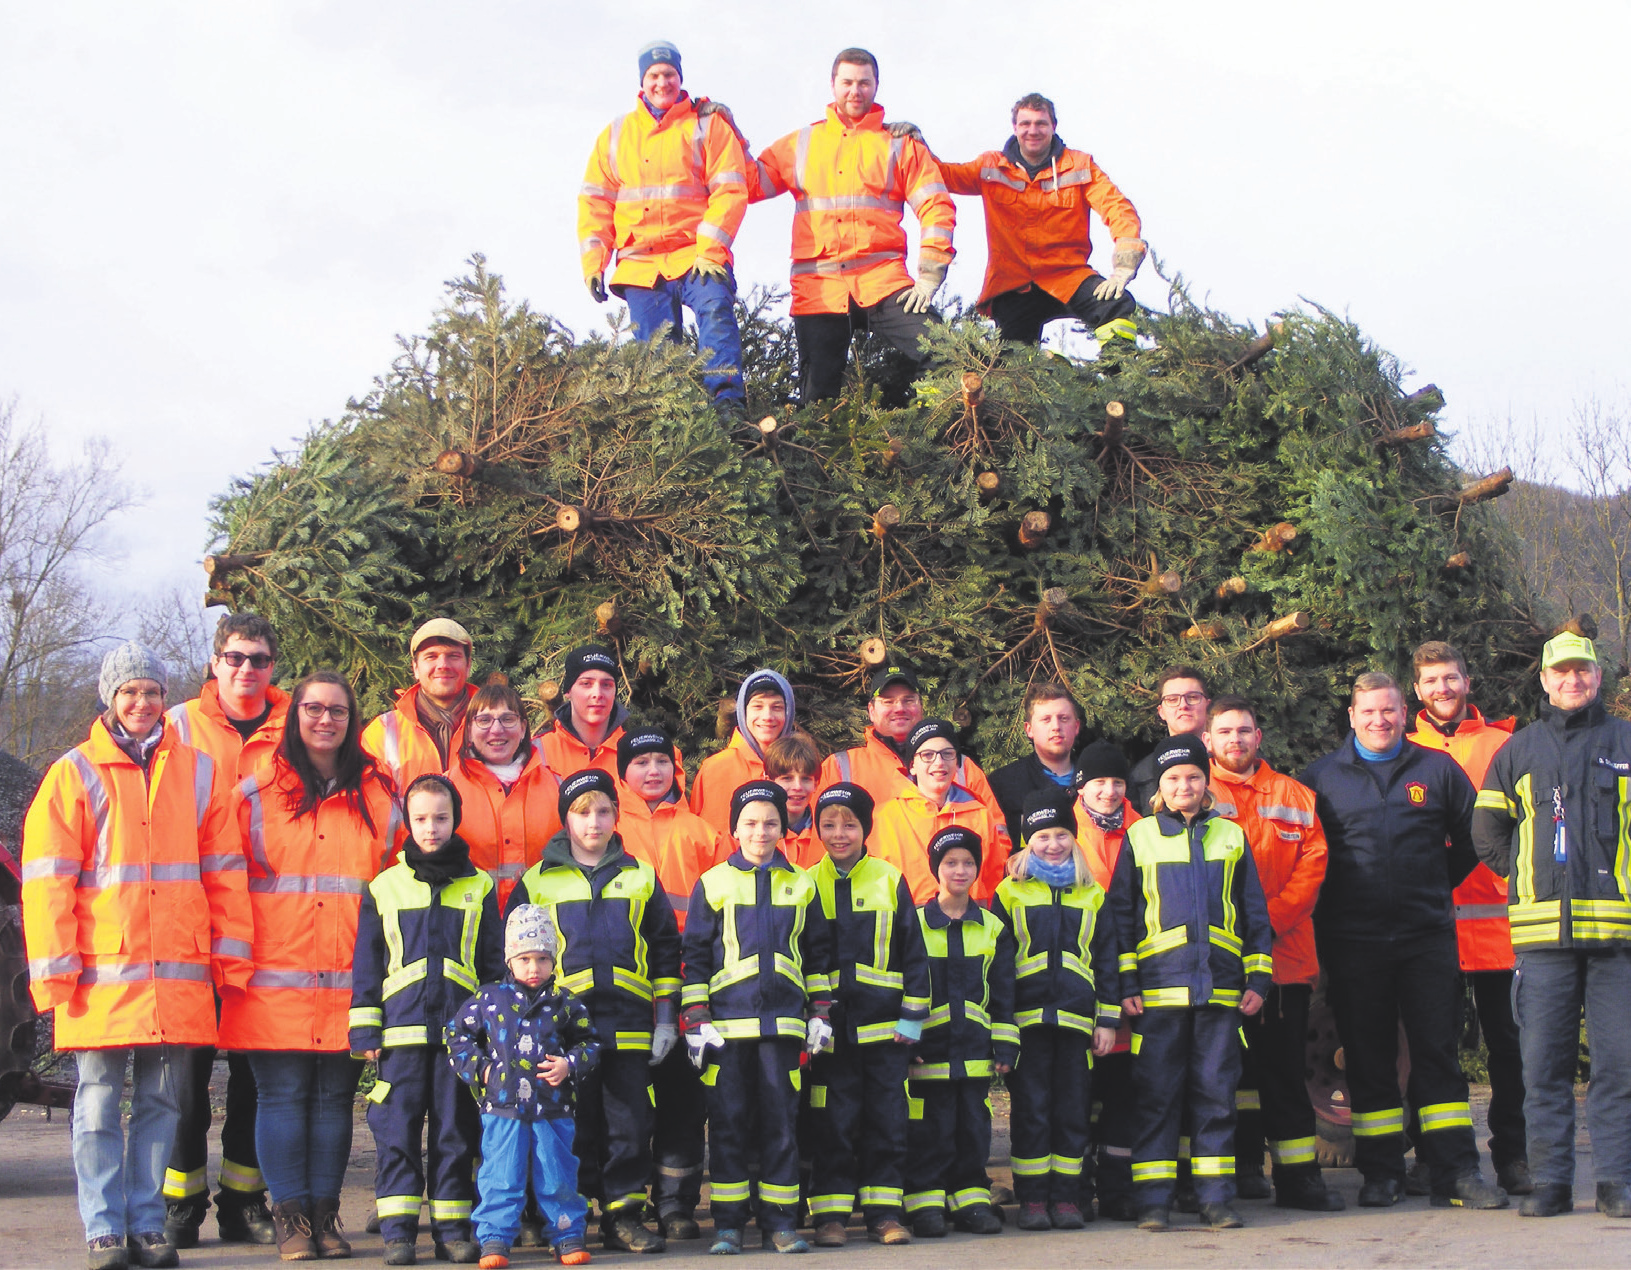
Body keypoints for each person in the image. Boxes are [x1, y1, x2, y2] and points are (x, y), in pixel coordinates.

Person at [23, 642, 251, 1270]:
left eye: (153, 691)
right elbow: (46, 883)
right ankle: (103, 1228)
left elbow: (225, 873)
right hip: (99, 976)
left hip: (177, 973)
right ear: (110, 699)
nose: (144, 703)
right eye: (130, 692)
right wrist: (54, 973)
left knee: (163, 1104)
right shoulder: (73, 773)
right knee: (96, 1102)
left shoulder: (200, 772)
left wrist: (230, 960)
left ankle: (148, 1225)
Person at [1300, 673, 1505, 1211]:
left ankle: (1456, 1172)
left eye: (1389, 710)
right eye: (1368, 712)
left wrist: (1435, 883)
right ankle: (1382, 1174)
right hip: (1354, 941)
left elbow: (1474, 837)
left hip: (1426, 938)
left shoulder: (1436, 769)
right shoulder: (1321, 778)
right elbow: (1308, 856)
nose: (1379, 720)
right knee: (1369, 1058)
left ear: (1402, 711)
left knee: (1437, 1055)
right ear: (1351, 717)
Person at [218, 670, 404, 1260]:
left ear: (352, 721)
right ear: (294, 716)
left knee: (332, 1101)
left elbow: (397, 885)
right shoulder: (253, 795)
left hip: (353, 977)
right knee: (281, 1097)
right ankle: (290, 1218)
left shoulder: (381, 796)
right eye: (314, 709)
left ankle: (326, 1217)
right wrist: (233, 967)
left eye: (339, 711)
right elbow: (226, 886)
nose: (326, 720)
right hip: (272, 980)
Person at [1473, 632, 1631, 1219]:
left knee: (1620, 1067)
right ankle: (1552, 1184)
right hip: (1542, 942)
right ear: (1543, 679)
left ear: (1597, 677)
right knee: (1542, 1069)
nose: (1573, 681)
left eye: (1582, 672)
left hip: (1619, 940)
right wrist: (1523, 877)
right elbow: (1487, 833)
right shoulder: (1518, 750)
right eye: (1561, 672)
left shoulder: (1625, 741)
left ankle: (1617, 1183)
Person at [506, 769, 682, 1254]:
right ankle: (567, 1217)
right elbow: (515, 963)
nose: (594, 822)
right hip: (561, 1035)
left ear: (616, 815)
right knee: (569, 1127)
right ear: (566, 818)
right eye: (583, 813)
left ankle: (624, 1217)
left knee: (629, 1126)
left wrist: (665, 1018)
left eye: (604, 811)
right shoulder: (536, 881)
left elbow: (665, 950)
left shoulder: (640, 875)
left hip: (627, 1027)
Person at [1111, 734, 1273, 1232]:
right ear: (1160, 787)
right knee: (1157, 1098)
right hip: (1157, 994)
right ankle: (1154, 1202)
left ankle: (1216, 1199)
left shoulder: (1231, 835)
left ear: (1207, 784)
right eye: (1174, 778)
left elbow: (1255, 914)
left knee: (1216, 1097)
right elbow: (1121, 915)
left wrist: (1259, 977)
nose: (1184, 785)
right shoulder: (1138, 837)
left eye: (1194, 777)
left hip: (1221, 992)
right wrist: (1127, 980)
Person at [162, 614, 288, 1249]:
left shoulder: (297, 726)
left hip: (268, 928)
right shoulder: (174, 724)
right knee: (184, 1077)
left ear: (273, 668)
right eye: (235, 657)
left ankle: (244, 1201)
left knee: (253, 1078)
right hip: (192, 928)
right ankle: (179, 1205)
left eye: (259, 659)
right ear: (214, 662)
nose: (246, 670)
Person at [741, 48, 955, 404]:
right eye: (847, 83)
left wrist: (930, 273)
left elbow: (936, 205)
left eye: (863, 83)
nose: (855, 91)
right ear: (832, 85)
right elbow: (749, 184)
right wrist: (726, 131)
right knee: (818, 400)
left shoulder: (899, 145)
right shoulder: (800, 144)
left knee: (945, 354)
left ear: (876, 86)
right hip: (820, 289)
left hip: (884, 282)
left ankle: (922, 432)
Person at [351, 774, 504, 1265]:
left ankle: (452, 1229)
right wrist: (364, 1028)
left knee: (455, 1134)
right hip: (399, 1038)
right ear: (408, 822)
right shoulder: (383, 886)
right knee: (396, 1134)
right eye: (421, 819)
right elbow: (367, 963)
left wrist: (492, 1030)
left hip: (461, 1041)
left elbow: (493, 964)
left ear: (456, 819)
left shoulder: (479, 886)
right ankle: (398, 1233)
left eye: (441, 818)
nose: (431, 828)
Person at [679, 780, 835, 1255]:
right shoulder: (713, 883)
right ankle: (728, 1224)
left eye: (770, 822)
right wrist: (696, 1019)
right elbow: (695, 958)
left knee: (781, 1125)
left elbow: (818, 957)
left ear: (783, 827)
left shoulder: (802, 883)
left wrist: (820, 1014)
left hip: (785, 1030)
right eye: (750, 822)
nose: (761, 831)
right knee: (728, 1124)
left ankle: (780, 1223)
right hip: (726, 1032)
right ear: (734, 828)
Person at [1202, 695, 1342, 1212]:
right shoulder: (1189, 793)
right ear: (1208, 740)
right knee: (1219, 1075)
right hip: (1212, 965)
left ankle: (1299, 1179)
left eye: (1244, 730)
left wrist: (1262, 926)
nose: (1235, 740)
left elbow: (1311, 873)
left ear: (1259, 737)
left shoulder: (1296, 796)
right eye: (1225, 732)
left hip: (1284, 962)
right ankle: (1228, 1178)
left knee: (1284, 1075)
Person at [1407, 640, 1530, 1197]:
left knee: (1509, 1052)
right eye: (1432, 681)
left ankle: (1514, 1157)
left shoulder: (1507, 746)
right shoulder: (1398, 747)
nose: (1443, 689)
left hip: (1502, 931)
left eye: (1451, 678)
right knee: (1433, 1050)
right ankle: (1435, 1159)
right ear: (1417, 689)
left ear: (1468, 681)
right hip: (1432, 930)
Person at [578, 41, 750, 411]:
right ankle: (670, 421)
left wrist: (711, 250)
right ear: (643, 81)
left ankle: (727, 407)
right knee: (654, 353)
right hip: (641, 263)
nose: (662, 82)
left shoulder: (707, 125)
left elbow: (731, 189)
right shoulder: (616, 134)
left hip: (696, 255)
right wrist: (595, 264)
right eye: (654, 75)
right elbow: (595, 203)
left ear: (680, 77)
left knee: (716, 314)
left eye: (669, 74)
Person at [912, 92, 1143, 347]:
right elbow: (944, 175)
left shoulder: (1079, 166)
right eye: (1025, 124)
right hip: (1012, 285)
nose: (1033, 131)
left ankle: (1119, 376)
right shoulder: (991, 166)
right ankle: (1053, 369)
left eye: (1041, 123)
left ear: (1053, 126)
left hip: (1067, 276)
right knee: (1015, 365)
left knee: (1116, 305)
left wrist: (1124, 265)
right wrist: (917, 145)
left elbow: (1118, 208)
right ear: (1015, 128)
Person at [804, 783, 930, 1246]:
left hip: (886, 1034)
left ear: (866, 828)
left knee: (887, 1122)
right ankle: (831, 1218)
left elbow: (914, 954)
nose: (839, 834)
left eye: (849, 824)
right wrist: (813, 1020)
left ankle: (884, 1214)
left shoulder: (889, 878)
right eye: (829, 824)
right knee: (832, 1125)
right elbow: (805, 958)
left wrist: (913, 1019)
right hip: (831, 1034)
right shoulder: (805, 882)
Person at [990, 790, 1120, 1231]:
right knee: (1031, 1111)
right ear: (1028, 841)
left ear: (1073, 837)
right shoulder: (1009, 893)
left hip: (1077, 1023)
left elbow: (1107, 960)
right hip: (1027, 1025)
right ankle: (1031, 1199)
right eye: (1043, 836)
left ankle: (1066, 1198)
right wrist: (1002, 1025)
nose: (1053, 844)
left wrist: (1107, 1020)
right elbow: (999, 968)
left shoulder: (1093, 894)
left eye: (1061, 835)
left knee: (1071, 1111)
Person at [612, 727, 723, 1240]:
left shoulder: (701, 832)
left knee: (683, 1103)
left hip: (689, 988)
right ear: (623, 771)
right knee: (626, 1109)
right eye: (640, 762)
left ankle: (676, 1205)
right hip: (630, 994)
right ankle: (618, 1205)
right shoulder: (607, 828)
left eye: (661, 760)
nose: (652, 770)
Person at [446, 904, 601, 1269]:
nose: (534, 968)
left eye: (543, 959)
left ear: (554, 960)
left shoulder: (565, 1003)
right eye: (525, 959)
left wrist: (569, 1065)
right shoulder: (489, 998)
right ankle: (495, 1238)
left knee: (557, 1172)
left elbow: (590, 1043)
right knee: (501, 1174)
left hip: (554, 1108)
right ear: (510, 960)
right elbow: (456, 1035)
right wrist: (480, 1069)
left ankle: (566, 1234)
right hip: (502, 1108)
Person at [903, 826, 1016, 1238]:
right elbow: (904, 986)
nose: (961, 870)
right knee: (929, 1132)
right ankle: (926, 1205)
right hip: (927, 1054)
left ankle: (970, 1200)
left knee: (972, 1130)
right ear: (936, 869)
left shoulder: (992, 927)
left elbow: (1004, 993)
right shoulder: (913, 923)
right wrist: (907, 1036)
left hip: (973, 1053)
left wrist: (1005, 1041)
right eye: (951, 862)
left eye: (969, 862)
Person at [1070, 740, 1140, 1220]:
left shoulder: (1145, 829)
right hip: (1080, 976)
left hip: (1133, 972)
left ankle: (1117, 1189)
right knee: (1078, 1092)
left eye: (1117, 782)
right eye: (1099, 782)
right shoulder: (1060, 829)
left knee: (1123, 1090)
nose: (1110, 791)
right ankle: (1076, 1187)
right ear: (1082, 786)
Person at [819, 662, 1000, 815]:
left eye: (908, 700)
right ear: (871, 711)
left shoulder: (962, 768)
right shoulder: (839, 768)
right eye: (888, 701)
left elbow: (996, 835)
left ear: (921, 706)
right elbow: (819, 838)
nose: (899, 708)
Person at [448, 676, 562, 908]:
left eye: (508, 719)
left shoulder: (558, 787)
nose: (496, 730)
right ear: (468, 730)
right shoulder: (446, 790)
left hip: (542, 929)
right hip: (470, 927)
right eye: (484, 720)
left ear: (522, 729)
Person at [871, 719, 1006, 903]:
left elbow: (994, 880)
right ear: (912, 765)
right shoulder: (884, 818)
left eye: (947, 754)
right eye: (927, 755)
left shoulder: (980, 815)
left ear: (957, 763)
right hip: (908, 928)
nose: (939, 762)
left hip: (969, 927)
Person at [363, 619, 478, 788]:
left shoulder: (497, 727)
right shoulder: (382, 733)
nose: (443, 665)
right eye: (431, 656)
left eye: (453, 656)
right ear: (415, 668)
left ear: (468, 666)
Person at [689, 668, 797, 836]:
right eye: (757, 706)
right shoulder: (714, 769)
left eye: (777, 707)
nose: (767, 716)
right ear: (743, 712)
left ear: (788, 712)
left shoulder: (801, 768)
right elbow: (697, 837)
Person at [987, 681, 1082, 836]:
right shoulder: (1003, 784)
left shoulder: (1098, 781)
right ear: (1029, 729)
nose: (1056, 727)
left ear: (1076, 726)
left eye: (1063, 718)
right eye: (1046, 719)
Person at [538, 646, 631, 781]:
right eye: (586, 683)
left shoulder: (638, 752)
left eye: (606, 685)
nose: (597, 694)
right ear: (568, 691)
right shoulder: (537, 751)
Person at [1127, 665, 1210, 813]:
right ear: (1161, 712)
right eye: (1172, 699)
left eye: (1192, 697)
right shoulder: (1142, 775)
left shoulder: (1232, 765)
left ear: (1207, 706)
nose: (1183, 705)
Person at [764, 731, 824, 868]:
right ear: (769, 781)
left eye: (806, 779)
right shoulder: (758, 834)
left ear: (816, 783)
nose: (797, 787)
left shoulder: (826, 833)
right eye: (787, 778)